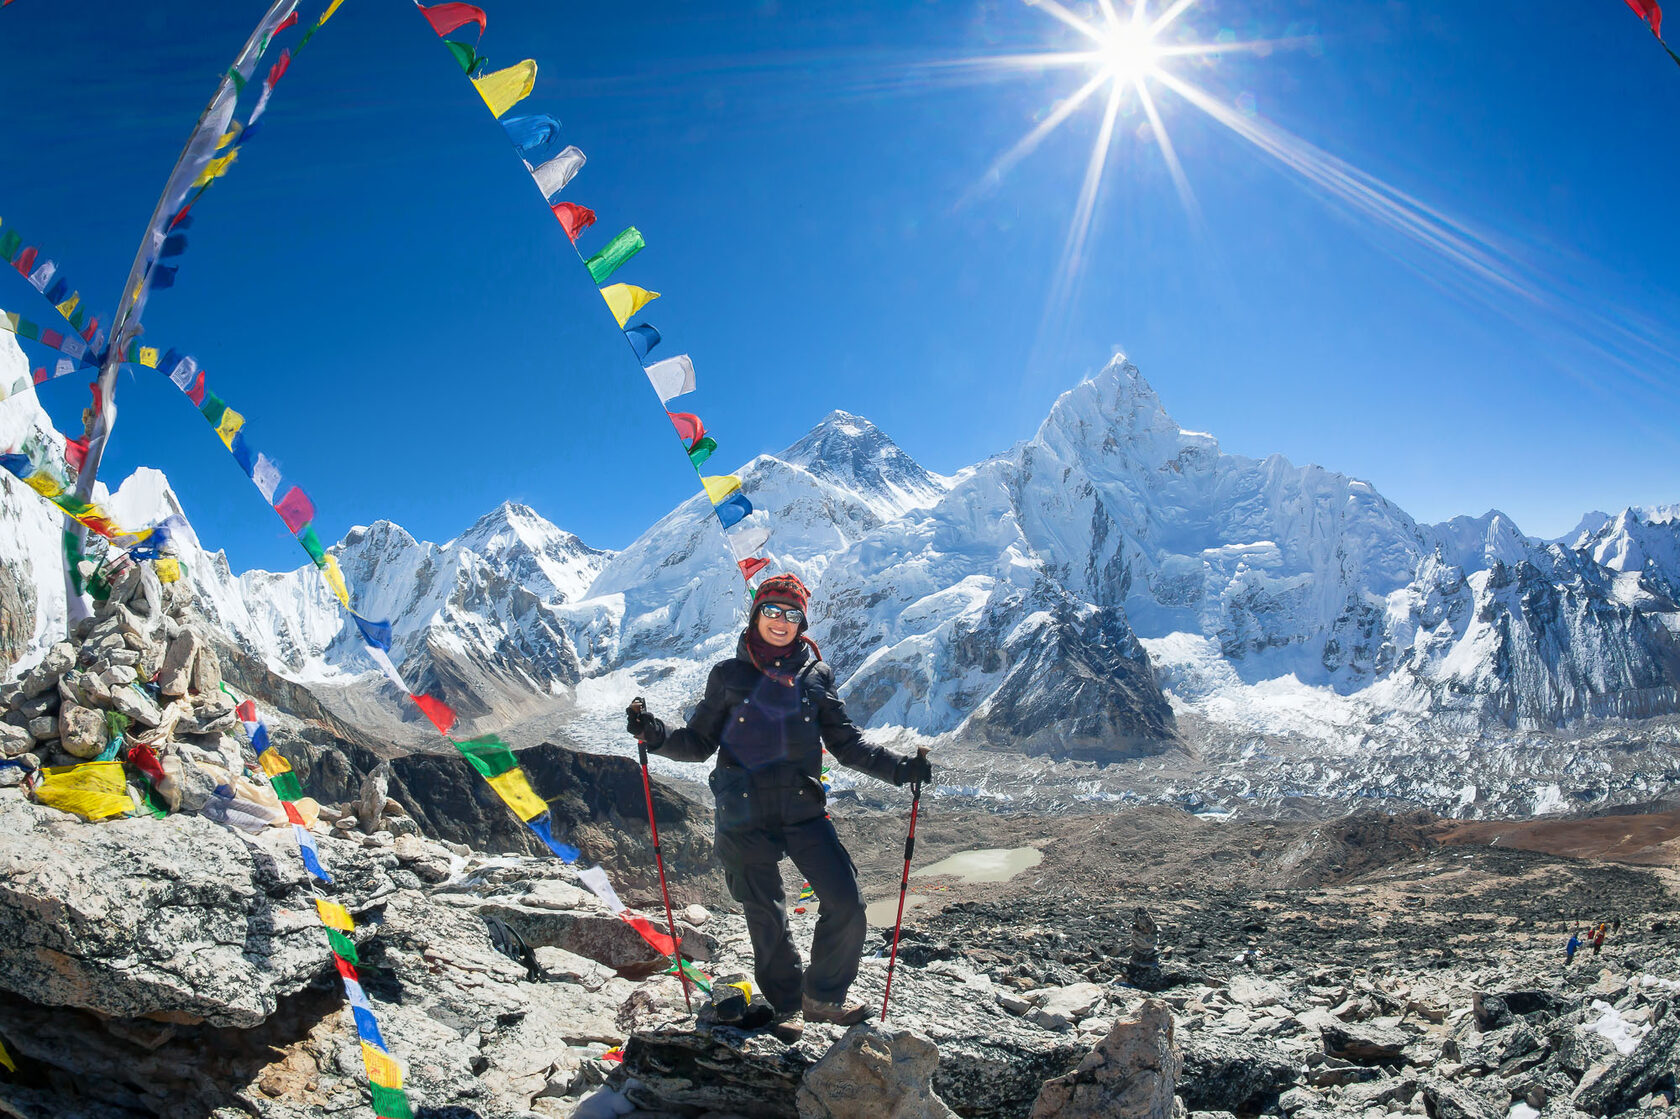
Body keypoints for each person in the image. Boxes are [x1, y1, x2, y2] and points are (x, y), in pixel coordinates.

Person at [625, 573, 934, 1032]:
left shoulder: (817, 676)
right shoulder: (728, 676)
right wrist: (656, 734)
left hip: (802, 808)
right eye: (771, 610)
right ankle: (788, 1007)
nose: (781, 621)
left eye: (792, 615)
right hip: (742, 811)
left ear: (802, 623)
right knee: (766, 913)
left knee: (846, 902)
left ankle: (822, 996)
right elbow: (697, 743)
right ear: (756, 615)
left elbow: (847, 744)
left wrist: (899, 769)